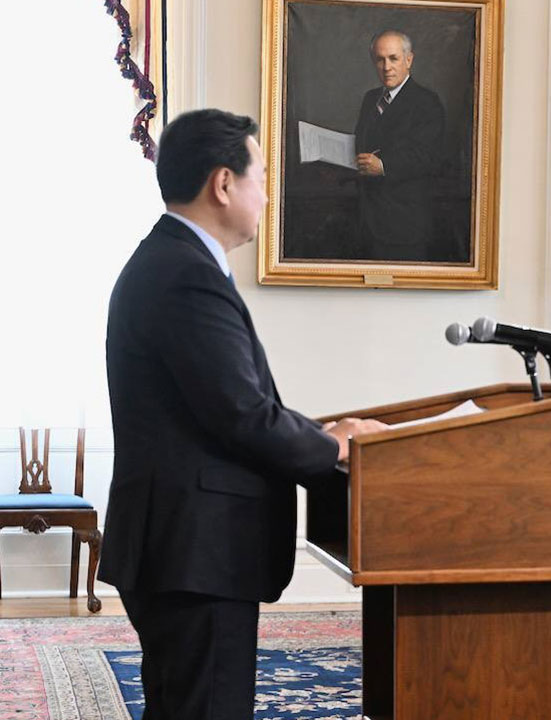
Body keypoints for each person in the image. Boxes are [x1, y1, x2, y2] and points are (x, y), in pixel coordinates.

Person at [98, 109, 387, 719]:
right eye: (259, 177)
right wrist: (335, 446)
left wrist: (324, 433)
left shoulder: (177, 263)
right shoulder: (183, 274)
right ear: (223, 184)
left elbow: (228, 405)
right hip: (192, 550)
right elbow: (242, 416)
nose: (266, 195)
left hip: (188, 546)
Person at [353, 30, 457, 262]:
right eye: (380, 60)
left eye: (393, 58)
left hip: (403, 223)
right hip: (367, 219)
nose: (386, 67)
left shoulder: (426, 102)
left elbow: (428, 157)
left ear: (409, 60)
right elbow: (363, 143)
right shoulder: (370, 98)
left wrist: (384, 165)